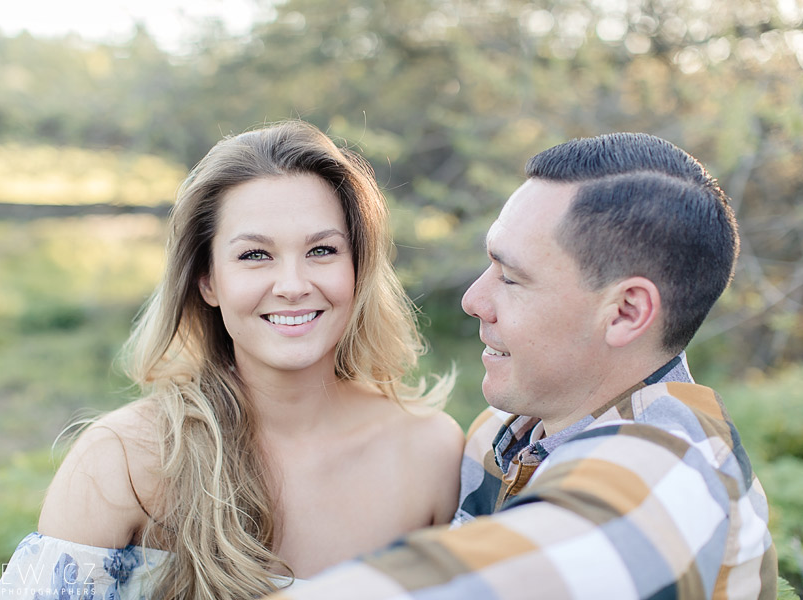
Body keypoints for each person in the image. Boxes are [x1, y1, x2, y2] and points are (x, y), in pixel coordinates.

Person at [267, 132, 778, 600]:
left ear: (625, 312)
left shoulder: (675, 474)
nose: (473, 300)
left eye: (511, 279)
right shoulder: (504, 433)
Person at [0, 120, 463, 600]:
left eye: (322, 250)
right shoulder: (125, 459)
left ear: (358, 268)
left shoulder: (431, 454)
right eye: (255, 255)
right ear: (207, 281)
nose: (293, 284)